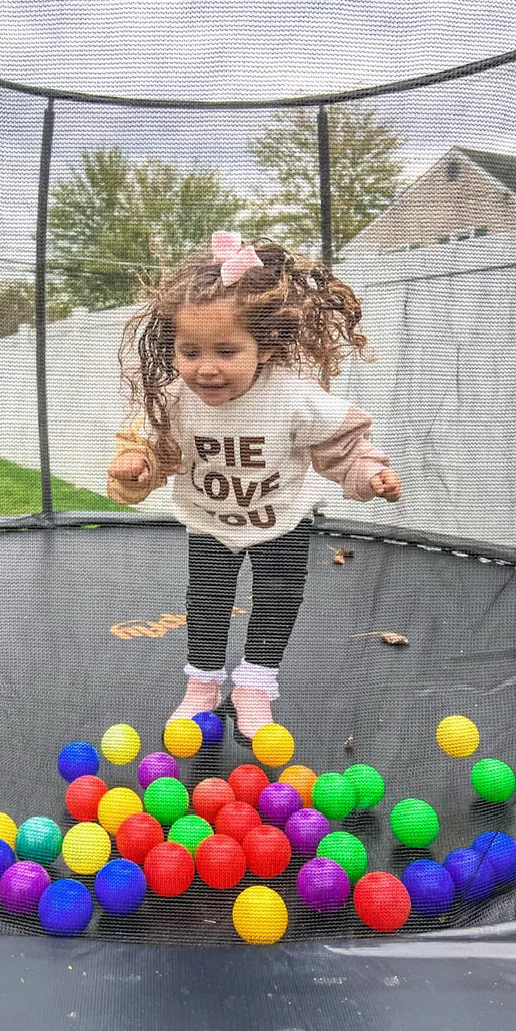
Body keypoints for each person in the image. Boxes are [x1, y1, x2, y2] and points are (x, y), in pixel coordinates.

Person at [107, 232, 402, 741]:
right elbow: (156, 451)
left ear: (263, 346)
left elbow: (340, 446)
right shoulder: (177, 400)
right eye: (189, 350)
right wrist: (137, 465)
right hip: (211, 521)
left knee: (277, 599)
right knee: (207, 600)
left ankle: (256, 684)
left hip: (281, 521)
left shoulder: (292, 397)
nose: (206, 367)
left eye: (226, 350)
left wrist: (367, 475)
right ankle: (202, 684)